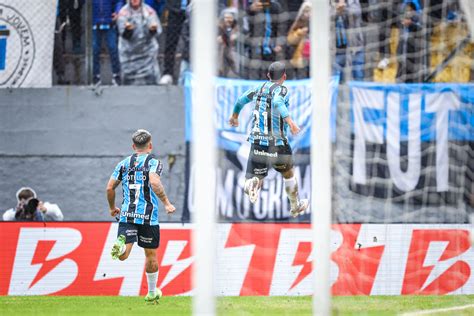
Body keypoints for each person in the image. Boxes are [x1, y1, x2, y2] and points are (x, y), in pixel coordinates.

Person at [228, 62, 309, 217]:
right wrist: (290, 122)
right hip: (277, 143)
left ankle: (250, 184)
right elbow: (278, 101)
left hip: (258, 141)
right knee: (288, 174)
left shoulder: (258, 89)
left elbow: (241, 99)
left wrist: (234, 116)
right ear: (284, 77)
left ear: (268, 76)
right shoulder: (282, 90)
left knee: (256, 178)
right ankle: (295, 206)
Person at [106, 129, 176, 303]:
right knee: (151, 255)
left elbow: (109, 188)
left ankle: (120, 245)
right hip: (148, 217)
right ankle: (152, 293)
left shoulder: (123, 164)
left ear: (133, 146)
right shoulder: (154, 163)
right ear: (150, 145)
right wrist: (166, 203)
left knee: (123, 256)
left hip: (127, 215)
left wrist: (112, 207)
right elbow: (154, 182)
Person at [117, 0, 162, 85]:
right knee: (127, 84)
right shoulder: (123, 13)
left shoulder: (149, 11)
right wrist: (128, 31)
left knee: (153, 82)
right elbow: (123, 34)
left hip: (147, 54)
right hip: (129, 55)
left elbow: (156, 31)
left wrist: (152, 30)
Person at [92, 0, 123, 86]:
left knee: (113, 48)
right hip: (94, 23)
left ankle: (116, 74)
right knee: (94, 49)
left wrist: (117, 11)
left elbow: (119, 1)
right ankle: (95, 75)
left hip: (109, 23)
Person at [287, 1, 311, 79]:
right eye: (306, 11)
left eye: (310, 11)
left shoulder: (320, 25)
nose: (308, 14)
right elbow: (290, 40)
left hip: (316, 60)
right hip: (301, 61)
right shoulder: (298, 24)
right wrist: (299, 33)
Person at [217, 7, 239, 77]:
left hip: (234, 64)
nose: (228, 20)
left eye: (230, 17)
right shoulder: (218, 29)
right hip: (220, 63)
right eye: (226, 17)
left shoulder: (237, 31)